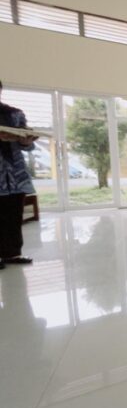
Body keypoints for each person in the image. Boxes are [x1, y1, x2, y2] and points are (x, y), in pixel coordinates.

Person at [0, 80, 37, 269]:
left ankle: (12, 254)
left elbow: (28, 146)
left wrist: (25, 141)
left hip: (15, 175)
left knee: (14, 216)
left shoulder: (14, 114)